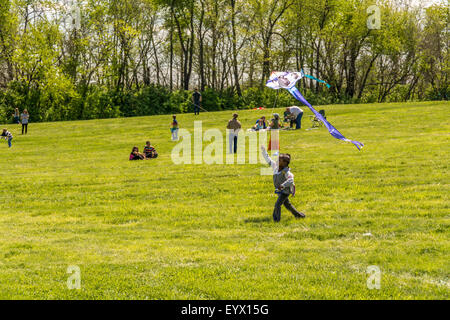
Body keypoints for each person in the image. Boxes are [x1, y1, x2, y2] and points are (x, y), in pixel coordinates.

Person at [261, 145, 305, 222]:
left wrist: (283, 185)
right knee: (287, 205)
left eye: (279, 160)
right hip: (280, 190)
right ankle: (298, 215)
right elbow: (268, 159)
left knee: (277, 205)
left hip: (285, 191)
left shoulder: (286, 172)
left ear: (285, 163)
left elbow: (291, 180)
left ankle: (276, 220)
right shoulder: (275, 166)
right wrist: (264, 151)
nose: (277, 161)